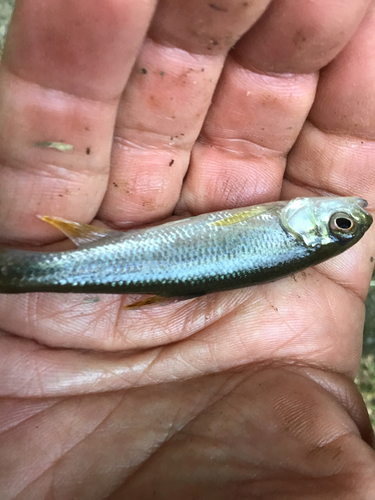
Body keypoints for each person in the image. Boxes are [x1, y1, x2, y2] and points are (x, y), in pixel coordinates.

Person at [0, 0, 374, 498]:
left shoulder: (283, 229)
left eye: (343, 223)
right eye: (344, 222)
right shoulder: (287, 237)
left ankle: (21, 272)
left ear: (312, 236)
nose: (345, 211)